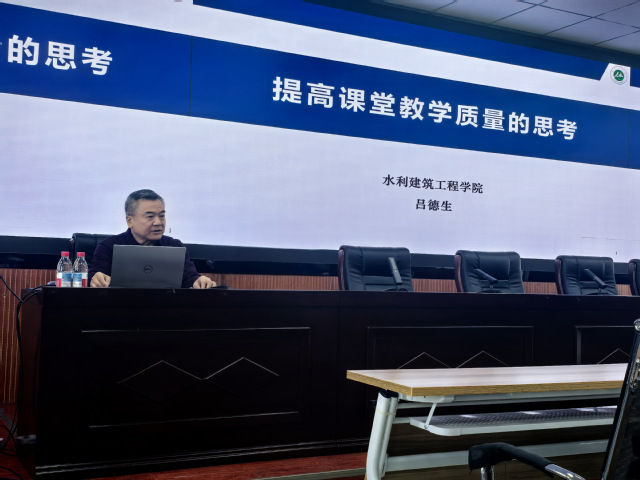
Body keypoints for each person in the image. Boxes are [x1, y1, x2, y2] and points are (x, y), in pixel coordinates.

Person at [89, 189, 216, 289]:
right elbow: (93, 275)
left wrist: (198, 281)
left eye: (162, 216)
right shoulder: (108, 246)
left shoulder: (174, 246)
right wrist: (95, 278)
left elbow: (190, 277)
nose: (158, 222)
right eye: (150, 217)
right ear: (130, 220)